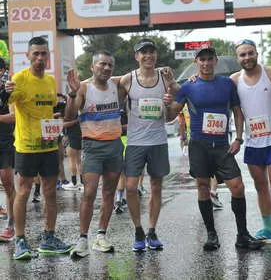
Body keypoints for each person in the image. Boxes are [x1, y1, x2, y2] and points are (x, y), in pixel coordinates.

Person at [164, 44, 263, 251]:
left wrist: (238, 137)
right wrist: (167, 103)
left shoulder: (226, 83)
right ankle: (211, 235)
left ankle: (242, 234)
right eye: (202, 59)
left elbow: (236, 111)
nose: (206, 63)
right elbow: (171, 116)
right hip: (198, 145)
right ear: (196, 63)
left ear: (215, 61)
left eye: (210, 59)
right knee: (202, 186)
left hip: (221, 145)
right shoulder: (188, 86)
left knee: (237, 186)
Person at [5, 36, 72, 260]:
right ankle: (21, 240)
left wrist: (57, 130)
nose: (40, 58)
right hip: (26, 146)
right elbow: (6, 103)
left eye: (44, 54)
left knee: (50, 192)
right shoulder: (20, 79)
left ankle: (49, 237)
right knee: (23, 192)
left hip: (49, 146)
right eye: (36, 54)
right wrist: (4, 91)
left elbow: (49, 112)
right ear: (28, 56)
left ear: (48, 57)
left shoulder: (50, 82)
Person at [119, 38, 177, 251]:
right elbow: (112, 95)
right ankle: (138, 230)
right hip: (135, 142)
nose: (148, 56)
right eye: (143, 53)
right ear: (137, 57)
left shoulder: (164, 79)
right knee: (131, 187)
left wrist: (171, 97)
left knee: (156, 186)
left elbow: (172, 112)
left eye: (151, 52)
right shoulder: (127, 80)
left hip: (158, 141)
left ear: (156, 55)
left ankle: (152, 230)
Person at [66, 51, 123, 258]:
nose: (106, 68)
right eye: (102, 64)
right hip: (92, 147)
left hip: (114, 146)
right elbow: (70, 116)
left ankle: (101, 236)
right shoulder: (83, 88)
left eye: (109, 65)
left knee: (109, 193)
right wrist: (72, 94)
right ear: (92, 67)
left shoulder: (117, 85)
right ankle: (82, 239)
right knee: (89, 193)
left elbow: (143, 74)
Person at [231, 39, 271, 249]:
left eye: (250, 53)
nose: (247, 58)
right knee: (260, 186)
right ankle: (267, 227)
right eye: (242, 55)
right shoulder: (235, 80)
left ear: (257, 53)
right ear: (238, 58)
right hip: (253, 143)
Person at [0, 56, 15, 242]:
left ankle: (11, 224)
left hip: (4, 143)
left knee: (7, 183)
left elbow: (14, 116)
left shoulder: (9, 91)